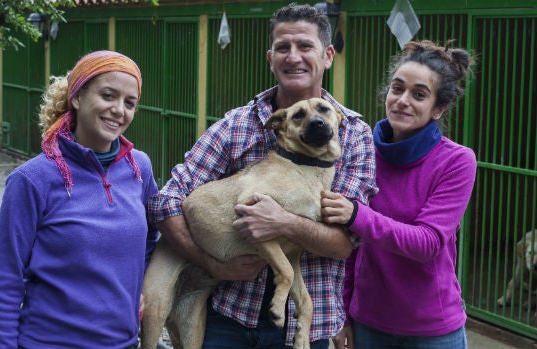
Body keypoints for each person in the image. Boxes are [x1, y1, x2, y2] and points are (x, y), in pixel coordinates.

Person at [148, 3, 377, 349]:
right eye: (283, 48)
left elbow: (345, 242)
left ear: (328, 55)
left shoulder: (355, 135)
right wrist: (211, 261)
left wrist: (284, 223)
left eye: (305, 46)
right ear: (271, 58)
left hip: (305, 329)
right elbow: (166, 200)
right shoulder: (237, 125)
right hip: (229, 314)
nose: (293, 56)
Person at [0, 50, 159, 349]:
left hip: (123, 343)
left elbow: (152, 241)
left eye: (130, 103)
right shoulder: (32, 180)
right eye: (108, 95)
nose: (119, 110)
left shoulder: (139, 168)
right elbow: (4, 281)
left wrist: (141, 286)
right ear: (77, 97)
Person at [322, 40, 477, 349]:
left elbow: (428, 243)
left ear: (439, 109)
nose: (403, 100)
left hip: (432, 330)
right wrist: (343, 313)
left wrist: (357, 214)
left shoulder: (457, 160)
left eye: (419, 94)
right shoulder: (362, 151)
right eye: (397, 89)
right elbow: (349, 246)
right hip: (368, 323)